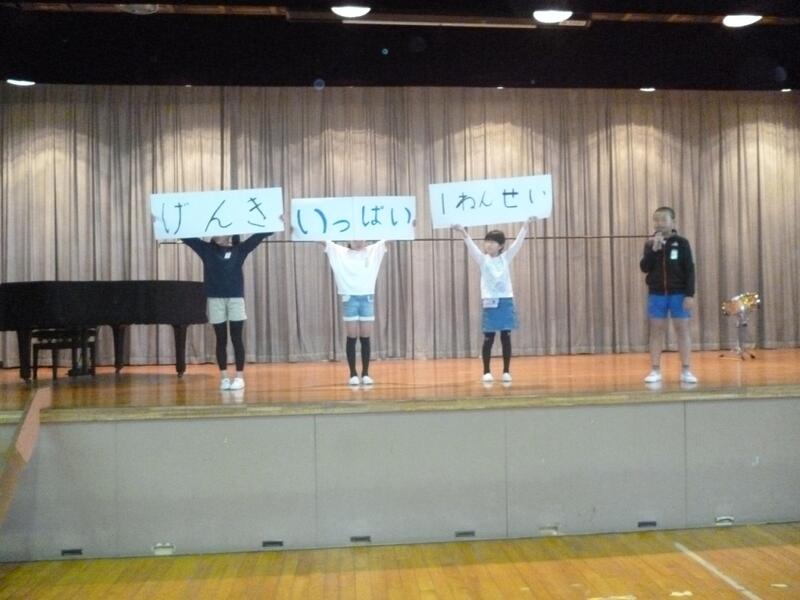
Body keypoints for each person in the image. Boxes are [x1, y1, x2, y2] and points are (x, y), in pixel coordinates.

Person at [182, 232, 271, 390]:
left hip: (235, 298)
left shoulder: (239, 249)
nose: (216, 234)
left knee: (236, 338)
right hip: (215, 299)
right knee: (221, 339)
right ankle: (224, 377)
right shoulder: (206, 249)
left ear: (229, 234)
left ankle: (239, 377)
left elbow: (258, 237)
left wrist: (274, 225)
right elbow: (187, 238)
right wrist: (166, 224)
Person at [452, 217, 535, 383]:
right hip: (490, 301)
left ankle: (506, 371)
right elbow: (471, 246)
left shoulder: (506, 258)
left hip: (505, 300)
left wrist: (525, 226)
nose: (488, 245)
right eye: (487, 242)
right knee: (488, 338)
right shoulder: (483, 259)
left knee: (506, 337)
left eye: (492, 242)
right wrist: (462, 231)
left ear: (501, 245)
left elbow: (518, 244)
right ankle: (486, 371)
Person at [639, 206, 697, 384]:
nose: (659, 223)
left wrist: (689, 294)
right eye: (656, 220)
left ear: (673, 222)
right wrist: (654, 250)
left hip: (679, 293)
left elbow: (690, 270)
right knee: (656, 331)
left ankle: (686, 370)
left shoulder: (682, 243)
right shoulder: (650, 244)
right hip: (657, 294)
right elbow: (644, 268)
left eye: (663, 219)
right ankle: (655, 370)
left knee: (682, 330)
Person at [323, 239, 388, 386]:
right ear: (349, 239)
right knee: (351, 337)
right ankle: (352, 373)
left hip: (367, 299)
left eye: (361, 238)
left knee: (365, 337)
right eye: (355, 239)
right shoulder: (340, 251)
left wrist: (409, 227)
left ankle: (365, 373)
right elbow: (323, 241)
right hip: (350, 298)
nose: (359, 242)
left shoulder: (373, 250)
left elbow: (391, 237)